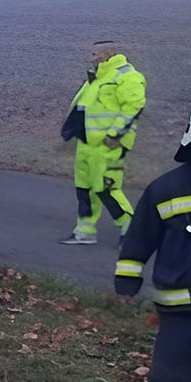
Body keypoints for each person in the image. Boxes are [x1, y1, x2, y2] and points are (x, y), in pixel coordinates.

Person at [114, 109, 191, 382]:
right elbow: (139, 238)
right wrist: (127, 281)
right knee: (171, 371)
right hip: (180, 309)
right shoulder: (165, 190)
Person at [60, 41, 146, 244]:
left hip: (108, 146)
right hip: (87, 144)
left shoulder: (126, 76)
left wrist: (115, 135)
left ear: (107, 54)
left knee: (107, 189)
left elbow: (134, 107)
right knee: (85, 189)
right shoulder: (97, 76)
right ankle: (84, 232)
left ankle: (131, 232)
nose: (90, 57)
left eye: (94, 53)